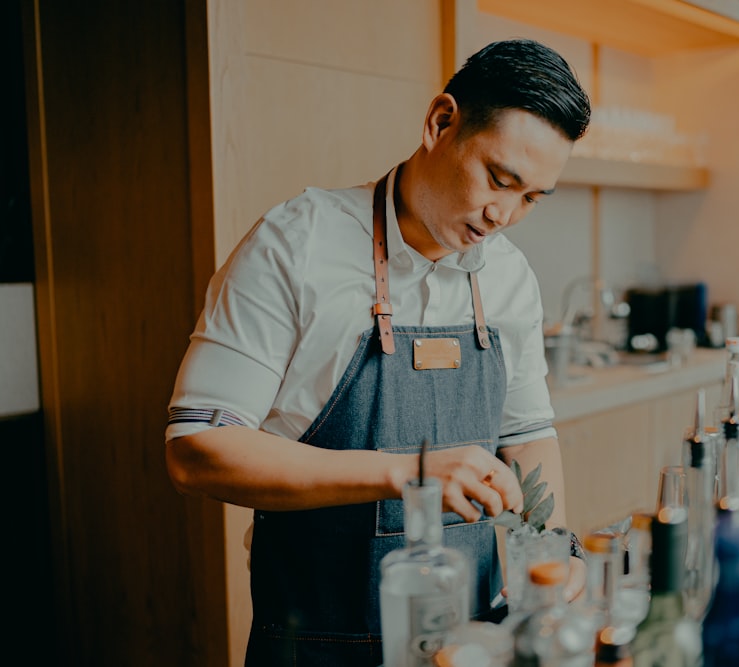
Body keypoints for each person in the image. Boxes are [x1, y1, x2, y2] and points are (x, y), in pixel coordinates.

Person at [164, 38, 592, 666]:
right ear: (440, 121)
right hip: (316, 643)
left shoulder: (508, 277)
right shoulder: (296, 244)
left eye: (531, 197)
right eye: (499, 180)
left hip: (469, 646)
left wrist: (549, 550)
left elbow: (526, 432)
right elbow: (198, 449)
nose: (504, 214)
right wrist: (407, 474)